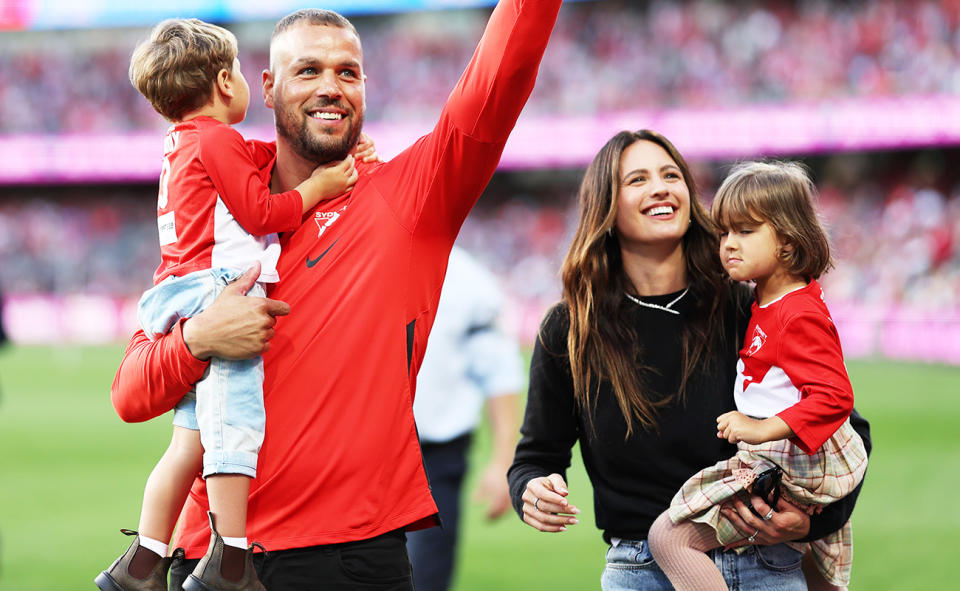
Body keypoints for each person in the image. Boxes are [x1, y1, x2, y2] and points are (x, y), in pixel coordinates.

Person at [109, 3, 562, 589]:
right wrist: (198, 339)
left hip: (353, 556)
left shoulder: (411, 200)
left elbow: (499, 78)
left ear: (365, 89)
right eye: (308, 70)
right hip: (210, 561)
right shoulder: (217, 224)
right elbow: (129, 393)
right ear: (266, 88)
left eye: (348, 72)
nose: (331, 87)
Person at [507, 130, 872, 591]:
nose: (660, 187)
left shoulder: (749, 309)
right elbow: (536, 456)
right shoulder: (570, 330)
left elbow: (845, 428)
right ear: (605, 208)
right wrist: (533, 490)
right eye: (637, 179)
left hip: (764, 562)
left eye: (671, 175)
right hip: (640, 568)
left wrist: (810, 524)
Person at [98, 18, 363, 591]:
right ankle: (231, 560)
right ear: (224, 82)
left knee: (189, 440)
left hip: (178, 284)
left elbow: (258, 160)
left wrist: (331, 154)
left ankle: (142, 562)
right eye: (241, 72)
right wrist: (317, 189)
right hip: (217, 288)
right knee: (234, 426)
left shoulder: (183, 140)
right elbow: (261, 213)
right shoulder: (216, 138)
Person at [646, 161, 868, 591]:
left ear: (787, 241)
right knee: (817, 571)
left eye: (745, 232)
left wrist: (762, 428)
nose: (728, 244)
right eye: (724, 232)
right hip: (786, 457)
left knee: (668, 538)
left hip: (790, 459)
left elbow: (835, 396)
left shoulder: (797, 312)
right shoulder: (769, 300)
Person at [406, 245, 524, 591]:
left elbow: (500, 372)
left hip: (433, 459)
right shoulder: (354, 256)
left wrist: (504, 459)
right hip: (354, 456)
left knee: (424, 578)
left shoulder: (468, 280)